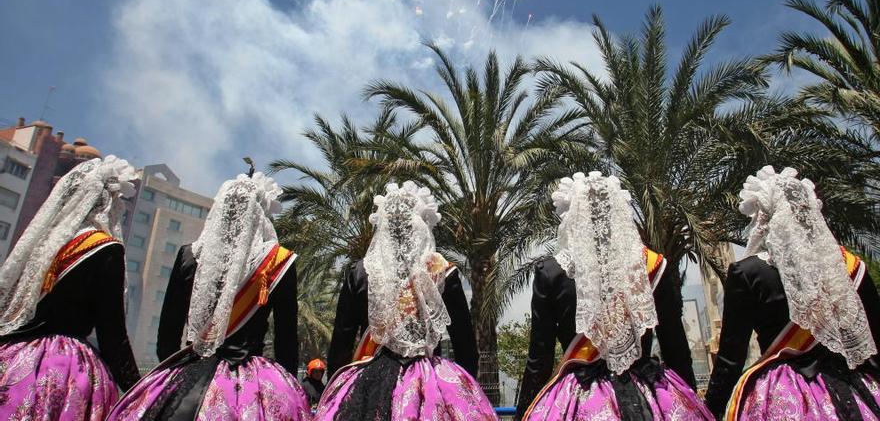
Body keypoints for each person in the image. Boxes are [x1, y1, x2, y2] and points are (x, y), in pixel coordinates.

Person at [107, 172, 311, 420]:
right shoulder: (277, 263)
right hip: (250, 380)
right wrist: (286, 388)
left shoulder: (188, 256)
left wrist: (174, 378)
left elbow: (167, 339)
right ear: (259, 215)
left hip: (188, 374)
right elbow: (286, 343)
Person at [517, 172, 712, 421]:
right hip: (654, 394)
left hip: (579, 395)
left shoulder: (552, 273)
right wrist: (689, 398)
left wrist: (523, 412)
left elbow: (539, 360)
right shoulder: (651, 266)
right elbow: (676, 349)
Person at [704, 166, 880, 420]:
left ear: (765, 217)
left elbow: (732, 358)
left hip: (783, 395)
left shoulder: (749, 272)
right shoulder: (849, 268)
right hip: (856, 390)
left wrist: (710, 409)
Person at [315, 181, 496, 420]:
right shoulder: (442, 272)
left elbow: (341, 344)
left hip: (368, 385)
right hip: (431, 384)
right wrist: (463, 394)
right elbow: (465, 348)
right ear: (421, 222)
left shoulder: (359, 272)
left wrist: (339, 394)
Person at [0, 156, 141, 420]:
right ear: (108, 202)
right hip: (63, 369)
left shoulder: (42, 243)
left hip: (12, 359)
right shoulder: (105, 248)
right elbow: (112, 334)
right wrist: (138, 388)